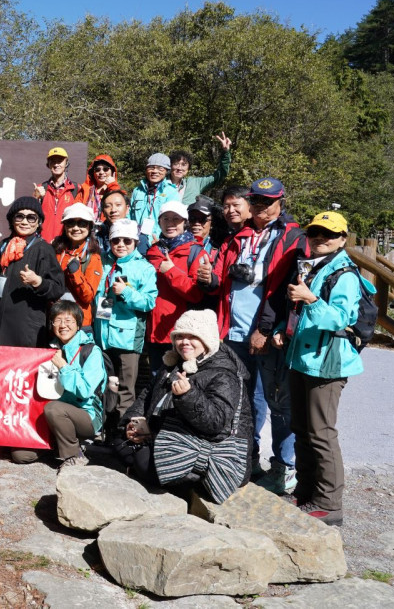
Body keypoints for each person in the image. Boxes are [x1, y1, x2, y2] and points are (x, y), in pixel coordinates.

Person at [197, 177, 303, 494]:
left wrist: (266, 329)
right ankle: (247, 459)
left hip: (267, 336)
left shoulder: (291, 237)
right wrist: (208, 278)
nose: (261, 208)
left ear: (280, 201)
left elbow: (286, 290)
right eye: (255, 201)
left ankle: (286, 467)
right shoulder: (237, 238)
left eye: (267, 202)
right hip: (233, 332)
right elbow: (220, 281)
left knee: (278, 402)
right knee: (243, 400)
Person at [271, 212, 371, 525]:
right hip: (303, 358)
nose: (320, 239)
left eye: (329, 234)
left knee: (321, 434)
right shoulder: (315, 266)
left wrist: (310, 299)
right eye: (315, 233)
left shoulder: (345, 274)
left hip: (326, 364)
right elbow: (298, 311)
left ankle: (329, 504)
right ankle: (304, 490)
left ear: (343, 239)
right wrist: (281, 328)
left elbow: (341, 319)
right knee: (302, 429)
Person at [119, 309, 252, 504]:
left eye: (193, 337)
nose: (184, 342)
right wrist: (134, 422)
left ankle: (188, 482)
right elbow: (147, 395)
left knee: (141, 460)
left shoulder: (224, 374)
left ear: (206, 340)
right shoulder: (174, 362)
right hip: (174, 437)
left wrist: (188, 396)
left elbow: (215, 423)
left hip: (211, 450)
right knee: (120, 443)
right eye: (180, 336)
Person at [12, 300, 108, 467]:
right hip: (54, 417)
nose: (63, 325)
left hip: (86, 414)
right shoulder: (48, 349)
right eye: (58, 320)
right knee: (21, 455)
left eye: (68, 321)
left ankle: (73, 456)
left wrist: (64, 367)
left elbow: (85, 390)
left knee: (54, 409)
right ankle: (58, 443)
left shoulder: (91, 351)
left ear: (78, 325)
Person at [93, 218, 158, 435]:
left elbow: (149, 302)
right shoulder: (101, 262)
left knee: (125, 389)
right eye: (116, 240)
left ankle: (123, 434)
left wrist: (127, 293)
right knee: (105, 386)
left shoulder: (144, 268)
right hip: (102, 334)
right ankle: (104, 431)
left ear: (136, 242)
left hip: (128, 338)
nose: (121, 244)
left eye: (127, 241)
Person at [0, 197, 65, 348]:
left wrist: (38, 282)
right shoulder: (2, 246)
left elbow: (58, 288)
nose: (25, 222)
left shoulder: (43, 249)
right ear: (12, 220)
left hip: (25, 329)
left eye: (31, 217)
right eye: (19, 216)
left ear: (39, 222)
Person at [145, 201, 205, 376]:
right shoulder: (153, 251)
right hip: (154, 330)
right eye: (166, 219)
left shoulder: (196, 252)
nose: (170, 224)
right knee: (157, 382)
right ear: (159, 221)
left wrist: (171, 271)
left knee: (181, 381)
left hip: (181, 333)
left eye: (176, 219)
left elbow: (195, 294)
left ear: (185, 223)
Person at [53, 203, 103, 327]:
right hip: (55, 319)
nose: (76, 228)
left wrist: (75, 273)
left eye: (82, 223)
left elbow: (88, 297)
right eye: (70, 223)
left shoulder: (92, 256)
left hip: (79, 321)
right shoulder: (56, 251)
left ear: (90, 227)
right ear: (64, 226)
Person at [129, 153, 179, 250]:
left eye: (160, 168)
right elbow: (130, 215)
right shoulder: (137, 191)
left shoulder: (171, 192)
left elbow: (174, 221)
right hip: (135, 240)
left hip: (158, 241)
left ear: (166, 171)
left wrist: (163, 241)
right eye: (151, 167)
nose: (155, 171)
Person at [168, 132, 233, 205]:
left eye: (183, 165)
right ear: (170, 166)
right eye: (176, 164)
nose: (179, 168)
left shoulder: (195, 183)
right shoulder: (161, 183)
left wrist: (225, 152)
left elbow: (220, 175)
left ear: (188, 168)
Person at [32, 146, 77, 242]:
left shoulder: (75, 189)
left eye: (60, 161)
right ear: (48, 165)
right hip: (43, 243)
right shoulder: (41, 188)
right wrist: (36, 198)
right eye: (53, 161)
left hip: (66, 244)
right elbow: (31, 217)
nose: (56, 164)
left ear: (66, 163)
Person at [75, 154, 120, 221]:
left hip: (107, 229)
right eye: (97, 170)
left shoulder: (115, 190)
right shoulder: (85, 190)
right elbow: (75, 209)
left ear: (112, 172)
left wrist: (112, 186)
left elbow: (119, 209)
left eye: (106, 169)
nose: (101, 172)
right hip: (87, 228)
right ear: (93, 173)